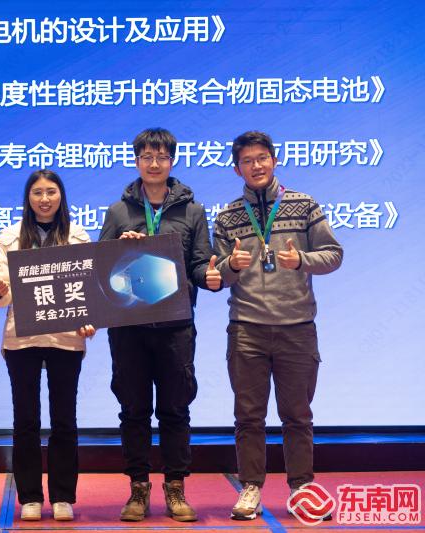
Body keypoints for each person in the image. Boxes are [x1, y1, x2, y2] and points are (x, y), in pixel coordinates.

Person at [210, 130, 343, 520]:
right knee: (248, 416)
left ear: (274, 160)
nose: (256, 166)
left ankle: (302, 488)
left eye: (262, 158)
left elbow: (334, 254)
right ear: (237, 169)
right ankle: (250, 487)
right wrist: (230, 266)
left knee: (297, 415)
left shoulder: (304, 205)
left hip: (296, 327)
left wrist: (301, 260)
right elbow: (217, 277)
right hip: (247, 329)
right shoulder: (228, 216)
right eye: (247, 161)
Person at [99, 128, 220, 522]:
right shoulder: (118, 212)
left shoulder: (192, 211)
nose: (154, 164)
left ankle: (176, 488)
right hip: (129, 327)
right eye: (147, 157)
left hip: (175, 326)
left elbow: (200, 263)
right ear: (137, 161)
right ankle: (137, 489)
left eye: (161, 157)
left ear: (172, 161)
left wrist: (210, 277)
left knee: (175, 408)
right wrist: (121, 247)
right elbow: (101, 268)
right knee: (133, 410)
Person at [0, 170, 96, 522]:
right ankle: (30, 496)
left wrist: (89, 318)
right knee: (26, 419)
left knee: (64, 419)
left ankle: (63, 496)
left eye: (51, 192)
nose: (44, 199)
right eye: (37, 193)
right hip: (22, 338)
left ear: (61, 196)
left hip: (66, 338)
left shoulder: (77, 235)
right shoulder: (11, 236)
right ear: (28, 198)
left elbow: (89, 289)